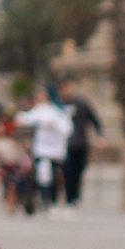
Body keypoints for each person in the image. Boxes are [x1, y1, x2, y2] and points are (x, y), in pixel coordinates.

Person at [18, 84, 73, 218]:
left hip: (55, 151)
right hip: (42, 150)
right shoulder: (39, 110)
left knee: (54, 177)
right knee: (43, 176)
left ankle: (53, 202)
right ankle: (46, 202)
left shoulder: (58, 111)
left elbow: (67, 129)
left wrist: (54, 124)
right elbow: (26, 119)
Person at [59, 81, 101, 211]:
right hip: (65, 145)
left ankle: (75, 197)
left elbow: (94, 120)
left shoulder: (81, 103)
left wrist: (99, 136)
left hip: (81, 143)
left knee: (79, 171)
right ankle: (69, 198)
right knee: (68, 172)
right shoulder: (58, 105)